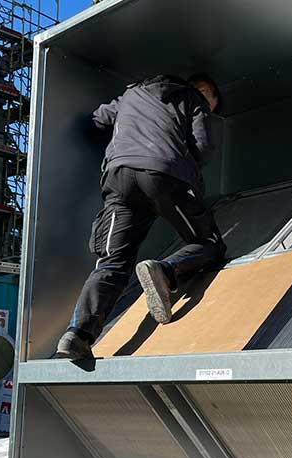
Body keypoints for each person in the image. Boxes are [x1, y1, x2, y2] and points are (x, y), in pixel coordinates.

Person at [55, 73, 226, 360]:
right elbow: (203, 147)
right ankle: (166, 271)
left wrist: (123, 144)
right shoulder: (194, 98)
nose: (210, 109)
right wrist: (181, 168)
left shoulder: (132, 94)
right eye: (213, 104)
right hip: (165, 173)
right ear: (206, 92)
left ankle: (78, 335)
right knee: (210, 243)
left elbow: (95, 122)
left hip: (119, 178)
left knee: (113, 262)